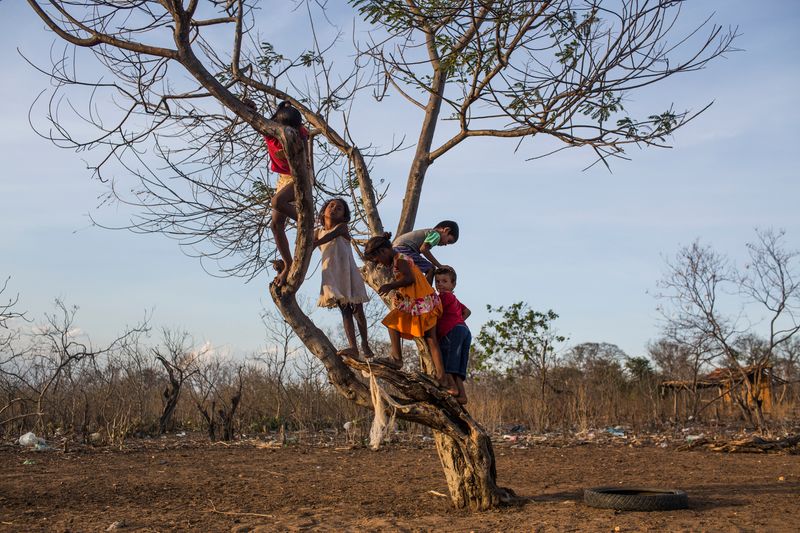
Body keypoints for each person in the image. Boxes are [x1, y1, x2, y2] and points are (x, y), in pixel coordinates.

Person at [363, 233, 449, 386]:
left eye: (377, 260)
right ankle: (441, 377)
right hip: (422, 298)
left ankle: (397, 358)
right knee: (431, 339)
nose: (379, 264)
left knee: (392, 323)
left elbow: (410, 279)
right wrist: (399, 293)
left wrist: (390, 286)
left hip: (419, 301)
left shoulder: (400, 259)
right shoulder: (398, 258)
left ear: (384, 251)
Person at [248, 99, 311, 287]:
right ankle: (288, 264)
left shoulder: (301, 133)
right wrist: (250, 108)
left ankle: (306, 221)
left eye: (294, 128)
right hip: (284, 178)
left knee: (276, 202)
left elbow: (306, 158)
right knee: (275, 225)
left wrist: (304, 165)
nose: (290, 132)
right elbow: (254, 119)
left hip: (301, 175)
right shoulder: (271, 133)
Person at [314, 197, 373, 358]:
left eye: (339, 208)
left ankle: (365, 343)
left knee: (358, 309)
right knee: (345, 310)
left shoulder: (342, 227)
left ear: (344, 216)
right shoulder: (317, 232)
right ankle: (353, 347)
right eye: (331, 206)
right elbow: (306, 249)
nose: (334, 209)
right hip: (333, 275)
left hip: (348, 272)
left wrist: (313, 244)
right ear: (324, 210)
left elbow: (330, 236)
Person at [434, 267, 472, 404]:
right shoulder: (455, 299)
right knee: (457, 366)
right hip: (465, 331)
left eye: (444, 281)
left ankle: (452, 389)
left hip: (453, 331)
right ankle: (462, 396)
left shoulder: (443, 297)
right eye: (437, 282)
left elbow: (433, 310)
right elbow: (467, 311)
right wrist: (459, 321)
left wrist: (453, 323)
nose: (440, 285)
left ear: (453, 284)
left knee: (447, 361)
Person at [392, 221, 458, 284]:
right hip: (403, 250)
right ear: (446, 230)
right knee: (431, 268)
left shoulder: (430, 232)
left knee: (413, 272)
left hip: (395, 250)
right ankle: (427, 293)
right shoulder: (436, 234)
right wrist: (439, 265)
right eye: (449, 241)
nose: (446, 244)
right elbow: (424, 249)